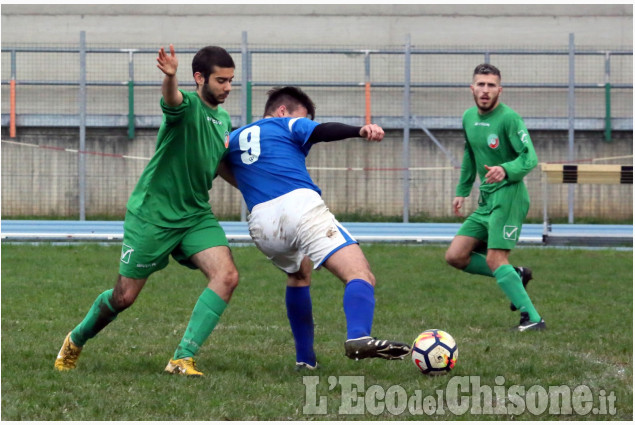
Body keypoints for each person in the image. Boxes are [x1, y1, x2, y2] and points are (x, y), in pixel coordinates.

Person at [55, 44, 239, 376]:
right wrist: (170, 77)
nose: (228, 87)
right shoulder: (187, 106)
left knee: (227, 276)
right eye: (221, 81)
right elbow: (172, 101)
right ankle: (75, 339)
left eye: (230, 81)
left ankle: (182, 358)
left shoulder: (223, 120)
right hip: (153, 216)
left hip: (195, 215)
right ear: (199, 78)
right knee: (124, 297)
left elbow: (219, 163)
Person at [219, 86, 411, 370]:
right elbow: (321, 131)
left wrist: (249, 185)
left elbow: (217, 164)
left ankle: (305, 361)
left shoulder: (232, 138)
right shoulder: (284, 122)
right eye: (303, 116)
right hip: (299, 206)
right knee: (360, 274)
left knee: (299, 275)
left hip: (261, 222)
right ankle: (358, 335)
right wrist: (359, 130)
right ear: (283, 110)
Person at [444, 63, 545, 332]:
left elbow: (530, 157)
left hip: (509, 196)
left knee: (494, 258)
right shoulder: (468, 118)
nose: (485, 90)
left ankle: (532, 318)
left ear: (500, 89)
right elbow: (470, 154)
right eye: (481, 84)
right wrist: (462, 190)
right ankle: (516, 275)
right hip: (486, 199)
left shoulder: (509, 119)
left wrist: (506, 169)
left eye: (491, 85)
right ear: (472, 88)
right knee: (456, 255)